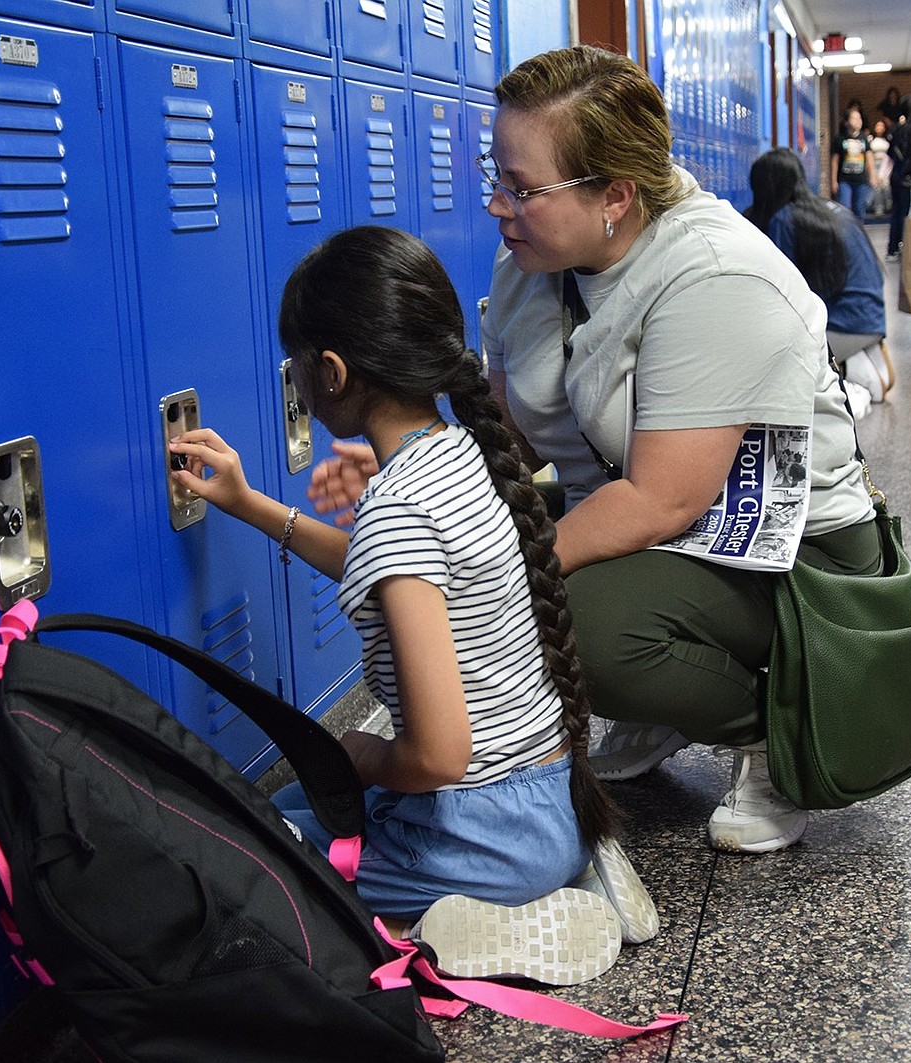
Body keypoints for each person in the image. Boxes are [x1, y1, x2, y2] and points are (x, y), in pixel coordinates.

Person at [309, 47, 878, 856]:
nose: (497, 205)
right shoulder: (528, 266)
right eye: (493, 175)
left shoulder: (717, 276)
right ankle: (662, 702)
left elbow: (661, 500)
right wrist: (414, 467)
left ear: (615, 195)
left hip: (786, 554)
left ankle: (775, 733)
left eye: (521, 187)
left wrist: (505, 578)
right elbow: (512, 436)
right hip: (649, 523)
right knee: (452, 538)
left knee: (563, 613)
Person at [168, 225, 657, 987]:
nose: (292, 381)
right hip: (554, 798)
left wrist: (361, 753)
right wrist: (250, 504)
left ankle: (471, 924)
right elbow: (403, 577)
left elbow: (436, 756)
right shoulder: (467, 452)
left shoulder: (397, 507)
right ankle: (574, 870)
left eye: (293, 364)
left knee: (253, 859)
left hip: (480, 833)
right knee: (294, 802)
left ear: (331, 371)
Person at [745, 147, 893, 403]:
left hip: (845, 325)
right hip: (871, 319)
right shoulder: (832, 209)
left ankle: (847, 373)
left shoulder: (784, 220)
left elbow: (783, 293)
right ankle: (856, 356)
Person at [885, 97, 911, 260]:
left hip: (897, 175)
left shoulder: (897, 129)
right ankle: (906, 248)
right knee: (909, 213)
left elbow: (891, 152)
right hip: (909, 178)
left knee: (897, 212)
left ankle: (893, 248)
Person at [831, 107, 876, 222]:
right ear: (847, 122)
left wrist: (872, 176)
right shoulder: (840, 139)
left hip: (861, 179)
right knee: (844, 206)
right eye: (854, 118)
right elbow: (835, 161)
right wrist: (833, 180)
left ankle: (859, 233)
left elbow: (869, 157)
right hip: (844, 180)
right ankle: (845, 233)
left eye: (859, 118)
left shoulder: (863, 138)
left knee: (859, 208)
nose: (857, 121)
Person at [868, 119, 893, 216]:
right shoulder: (871, 139)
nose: (879, 128)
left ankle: (888, 205)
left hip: (886, 165)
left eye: (881, 126)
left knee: (886, 186)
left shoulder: (887, 140)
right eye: (877, 126)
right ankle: (878, 208)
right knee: (876, 187)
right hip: (874, 164)